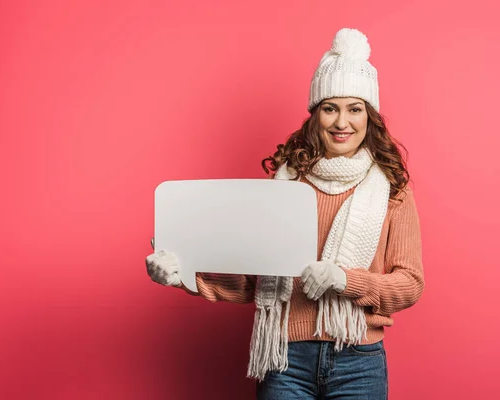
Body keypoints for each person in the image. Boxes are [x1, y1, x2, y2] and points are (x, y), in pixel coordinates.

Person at [145, 28, 424, 399]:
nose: (342, 122)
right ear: (315, 115)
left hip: (359, 361)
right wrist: (183, 274)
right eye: (330, 108)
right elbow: (251, 281)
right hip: (285, 360)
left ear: (369, 117)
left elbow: (409, 284)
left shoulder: (392, 190)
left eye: (354, 109)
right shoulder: (285, 185)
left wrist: (345, 280)